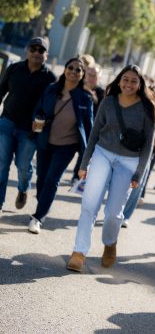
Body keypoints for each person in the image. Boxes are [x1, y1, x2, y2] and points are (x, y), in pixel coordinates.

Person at [66, 65, 155, 272]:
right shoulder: (108, 102)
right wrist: (83, 164)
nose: (128, 84)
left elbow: (149, 145)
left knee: (114, 213)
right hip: (102, 154)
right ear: (119, 80)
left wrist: (139, 174)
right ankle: (79, 252)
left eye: (134, 81)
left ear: (140, 84)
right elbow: (95, 133)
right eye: (125, 79)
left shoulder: (147, 108)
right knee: (89, 205)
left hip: (129, 161)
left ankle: (109, 242)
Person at [28, 58, 93, 234]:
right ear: (64, 70)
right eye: (70, 67)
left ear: (82, 75)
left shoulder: (86, 98)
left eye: (78, 69)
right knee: (41, 178)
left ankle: (38, 217)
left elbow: (89, 128)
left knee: (51, 180)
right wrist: (36, 119)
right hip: (45, 141)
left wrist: (86, 156)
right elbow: (38, 109)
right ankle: (43, 206)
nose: (73, 71)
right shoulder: (51, 89)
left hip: (67, 146)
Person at [0, 37, 57, 214]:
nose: (36, 53)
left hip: (30, 132)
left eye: (41, 50)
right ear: (27, 50)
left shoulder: (50, 78)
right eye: (33, 49)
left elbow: (53, 107)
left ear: (46, 55)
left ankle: (23, 189)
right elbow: (1, 91)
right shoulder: (14, 68)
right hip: (7, 123)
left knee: (23, 167)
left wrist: (43, 121)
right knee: (2, 164)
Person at [121, 87, 155, 227]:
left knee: (138, 184)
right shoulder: (136, 110)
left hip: (148, 155)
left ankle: (125, 216)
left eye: (154, 97)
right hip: (129, 152)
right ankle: (115, 211)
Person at [71, 63, 105, 185]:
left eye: (94, 76)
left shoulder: (103, 94)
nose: (91, 78)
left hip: (91, 130)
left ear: (99, 78)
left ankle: (76, 175)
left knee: (84, 153)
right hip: (74, 127)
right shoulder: (77, 88)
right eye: (89, 75)